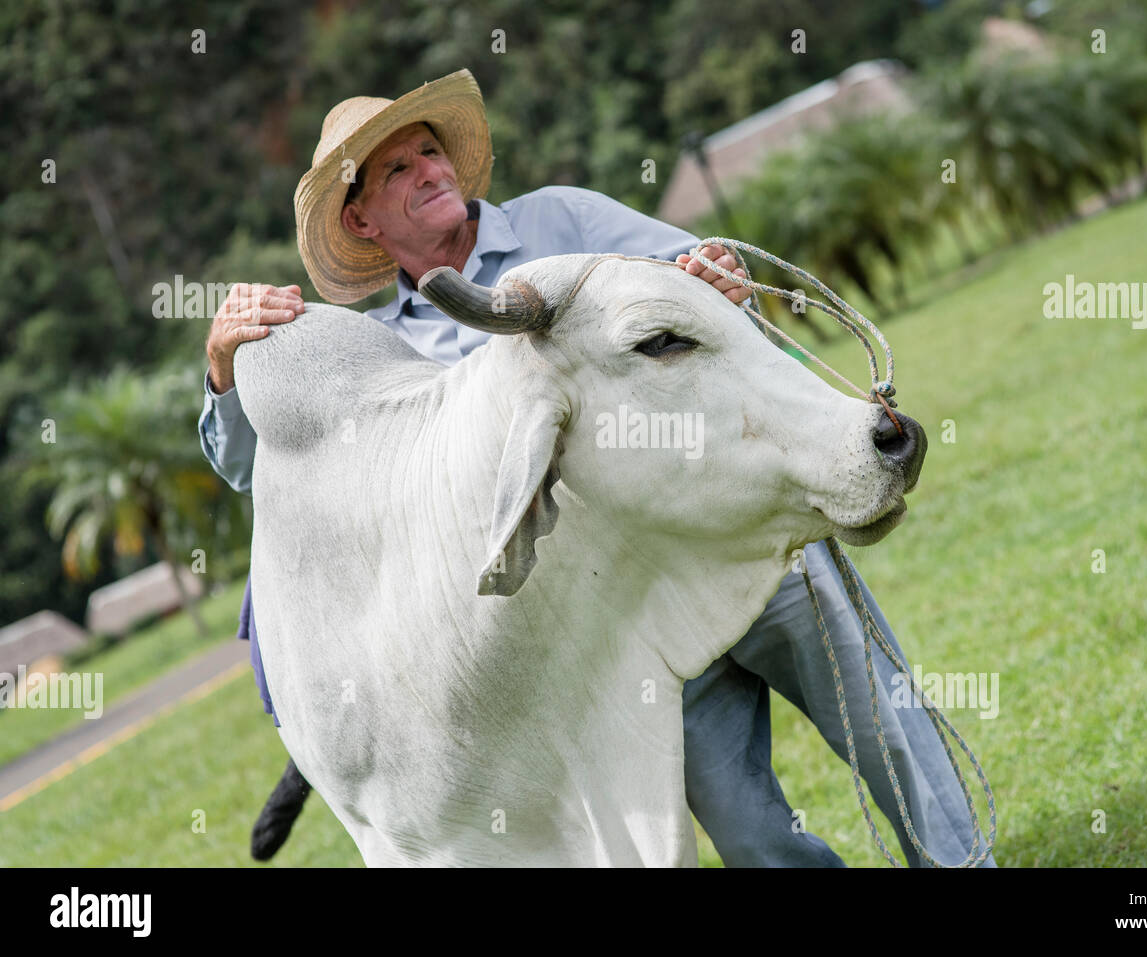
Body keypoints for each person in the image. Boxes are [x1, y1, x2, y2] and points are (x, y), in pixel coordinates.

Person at [200, 69, 994, 867]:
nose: (431, 172)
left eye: (432, 152)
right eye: (398, 170)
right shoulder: (388, 357)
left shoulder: (563, 219)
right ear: (359, 217)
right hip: (622, 615)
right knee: (750, 831)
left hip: (744, 527)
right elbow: (251, 471)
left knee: (887, 730)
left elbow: (702, 293)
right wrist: (224, 369)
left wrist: (716, 277)